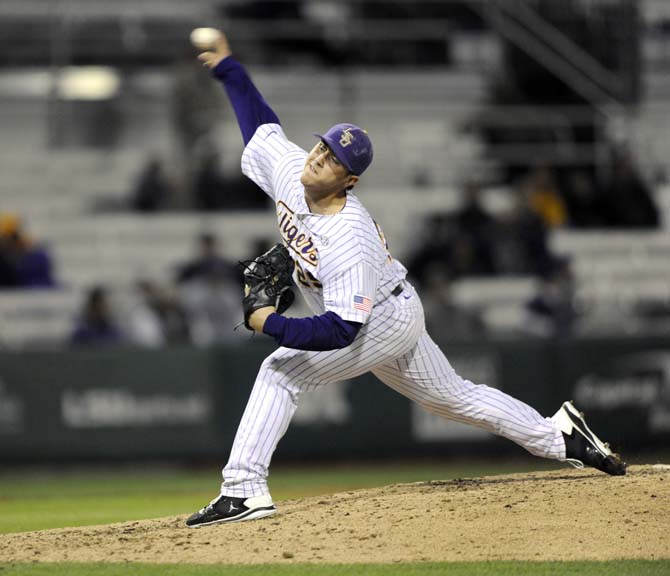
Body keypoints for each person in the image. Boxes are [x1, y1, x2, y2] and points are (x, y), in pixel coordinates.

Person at [186, 30, 626, 528]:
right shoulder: (293, 168)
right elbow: (260, 124)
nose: (319, 158)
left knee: (282, 371)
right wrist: (229, 69)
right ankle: (560, 435)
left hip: (378, 319)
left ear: (349, 180)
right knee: (455, 396)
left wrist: (269, 323)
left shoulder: (349, 235)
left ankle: (244, 490)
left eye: (334, 160)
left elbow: (340, 332)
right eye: (323, 147)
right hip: (391, 304)